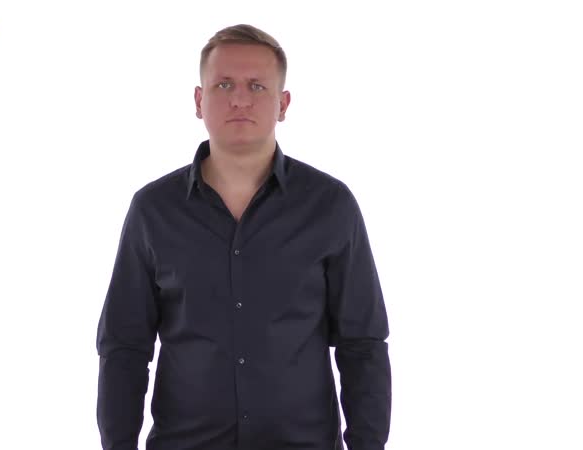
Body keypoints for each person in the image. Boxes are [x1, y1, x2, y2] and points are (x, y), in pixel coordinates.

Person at [96, 24, 391, 450]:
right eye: (223, 85)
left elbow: (362, 345)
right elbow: (124, 346)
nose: (239, 99)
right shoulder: (153, 211)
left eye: (256, 85)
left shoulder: (330, 206)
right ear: (198, 100)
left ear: (283, 104)